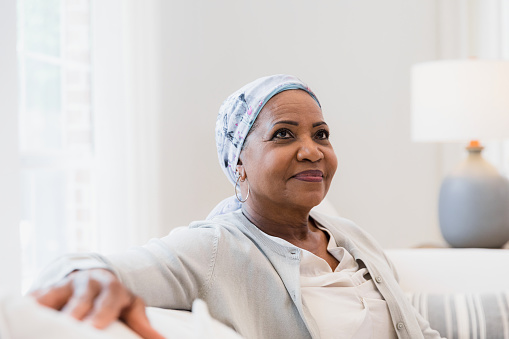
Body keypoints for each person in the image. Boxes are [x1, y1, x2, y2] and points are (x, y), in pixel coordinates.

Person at [31, 74, 443, 339]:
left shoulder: (351, 236)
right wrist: (85, 276)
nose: (312, 151)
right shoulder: (214, 247)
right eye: (284, 134)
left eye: (321, 134)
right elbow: (78, 267)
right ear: (238, 164)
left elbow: (420, 330)